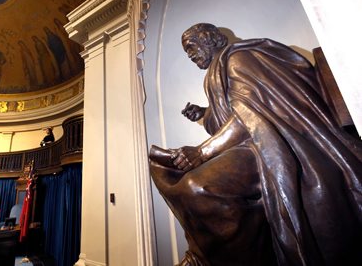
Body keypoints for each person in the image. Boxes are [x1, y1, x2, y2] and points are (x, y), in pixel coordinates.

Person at [149, 23, 362, 265]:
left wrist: (202, 151)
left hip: (277, 143)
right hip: (250, 143)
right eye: (187, 52)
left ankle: (205, 259)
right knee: (170, 172)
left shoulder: (239, 58)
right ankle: (201, 254)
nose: (190, 54)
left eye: (192, 46)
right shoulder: (215, 76)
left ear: (212, 39)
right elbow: (228, 118)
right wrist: (205, 114)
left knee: (198, 186)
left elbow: (248, 115)